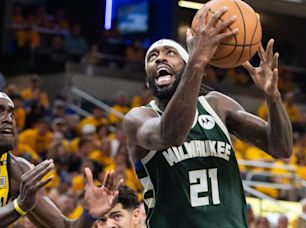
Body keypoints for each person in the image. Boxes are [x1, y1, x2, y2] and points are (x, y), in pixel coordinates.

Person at [122, 6, 293, 228]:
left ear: (185, 67)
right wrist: (198, 60)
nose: (159, 59)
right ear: (148, 81)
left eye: (170, 53)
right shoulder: (138, 118)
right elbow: (171, 134)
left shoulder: (217, 105)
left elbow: (281, 148)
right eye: (152, 57)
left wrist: (273, 96)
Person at [0, 90, 122, 227]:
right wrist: (18, 206)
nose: (8, 118)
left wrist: (89, 215)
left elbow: (64, 226)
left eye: (12, 113)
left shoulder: (18, 170)